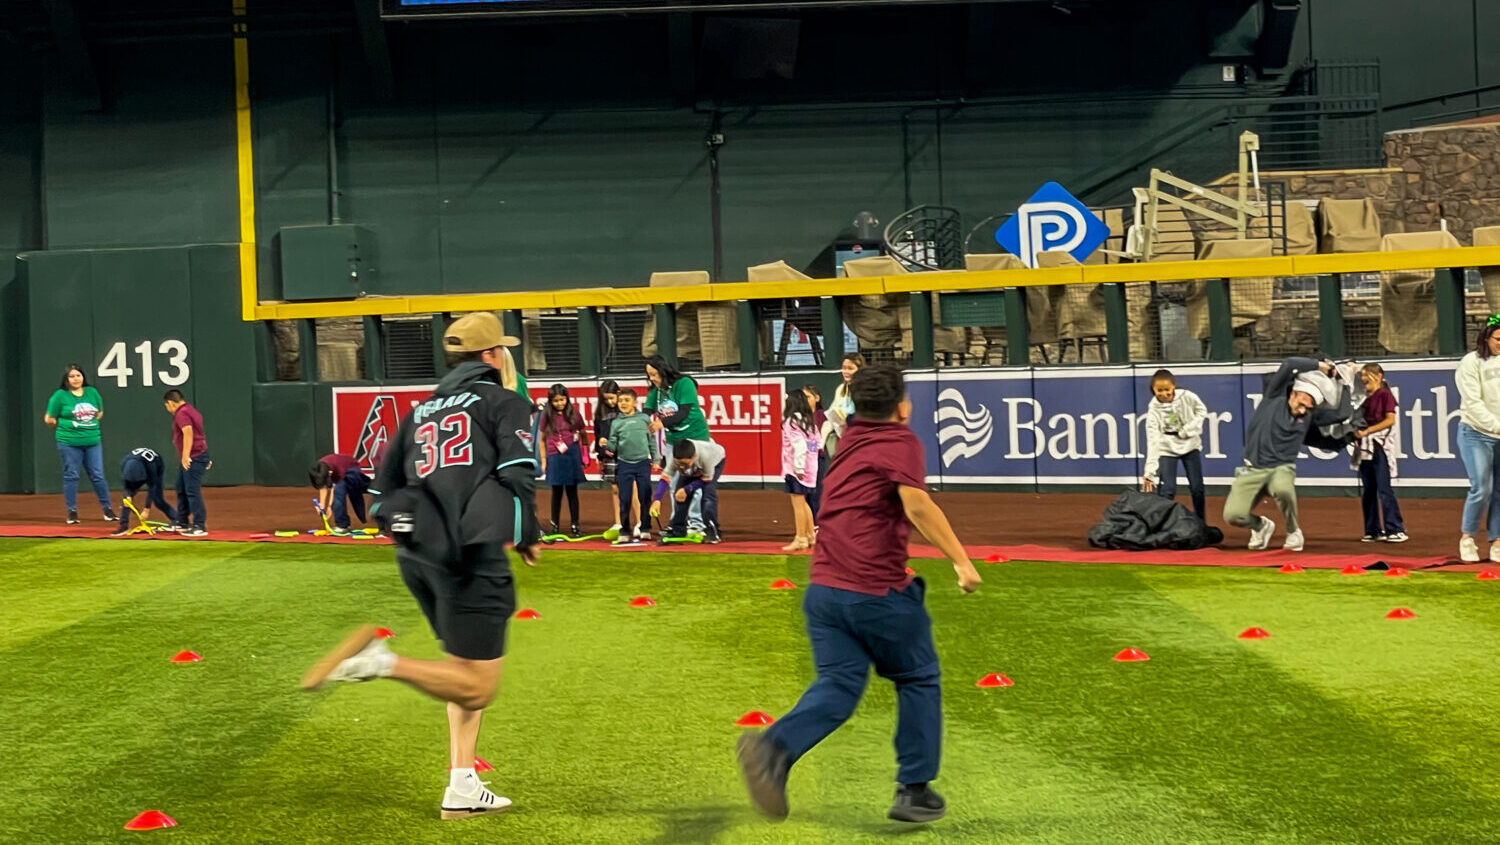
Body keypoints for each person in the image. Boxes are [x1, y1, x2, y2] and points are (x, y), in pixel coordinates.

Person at [302, 311, 540, 821]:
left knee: (464, 670)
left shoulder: (420, 411)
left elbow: (381, 490)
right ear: (492, 355)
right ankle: (380, 661)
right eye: (504, 350)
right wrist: (527, 535)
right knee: (479, 685)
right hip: (471, 555)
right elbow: (518, 474)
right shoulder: (504, 401)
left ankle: (462, 782)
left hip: (419, 555)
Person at [736, 364, 982, 825]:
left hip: (823, 591)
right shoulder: (900, 441)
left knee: (839, 684)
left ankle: (773, 747)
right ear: (903, 407)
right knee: (918, 677)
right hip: (873, 591)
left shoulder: (849, 439)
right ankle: (914, 790)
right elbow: (917, 505)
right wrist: (961, 561)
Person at [1222, 357, 1334, 552]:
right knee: (1233, 516)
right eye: (1303, 403)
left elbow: (1340, 413)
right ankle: (1261, 526)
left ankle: (1293, 532)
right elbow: (1289, 364)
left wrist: (1344, 381)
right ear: (1295, 393)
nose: (1304, 409)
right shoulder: (1273, 397)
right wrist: (1320, 366)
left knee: (1283, 489)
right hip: (1252, 468)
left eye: (1309, 408)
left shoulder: (1307, 417)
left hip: (1281, 468)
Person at [43, 364, 115, 525]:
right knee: (71, 475)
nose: (76, 379)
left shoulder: (92, 392)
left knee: (98, 475)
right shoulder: (60, 396)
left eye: (78, 375)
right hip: (69, 443)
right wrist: (64, 427)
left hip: (92, 441)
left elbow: (100, 412)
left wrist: (87, 425)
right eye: (72, 376)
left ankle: (107, 509)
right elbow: (49, 418)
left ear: (83, 377)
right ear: (66, 380)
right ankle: (72, 511)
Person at [1456, 316, 1500, 562]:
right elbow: (1472, 403)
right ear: (1486, 337)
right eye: (1498, 340)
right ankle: (1467, 537)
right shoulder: (1470, 363)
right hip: (1475, 433)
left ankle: (1497, 541)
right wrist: (1496, 426)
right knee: (1481, 487)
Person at [1141, 369, 1209, 522]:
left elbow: (1201, 410)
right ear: (1153, 390)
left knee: (1197, 488)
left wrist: (1189, 430)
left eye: (1167, 389)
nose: (1163, 394)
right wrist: (1149, 472)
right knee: (1168, 490)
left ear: (1173, 386)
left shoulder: (1188, 397)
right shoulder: (1153, 411)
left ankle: (1200, 522)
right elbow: (1152, 440)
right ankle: (1163, 524)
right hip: (1167, 448)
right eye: (1159, 390)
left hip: (1190, 445)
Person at [1350, 363, 1405, 544]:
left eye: (1369, 375)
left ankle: (1395, 528)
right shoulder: (1362, 398)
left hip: (1379, 447)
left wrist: (1368, 431)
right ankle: (1372, 529)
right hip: (1364, 449)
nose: (1365, 378)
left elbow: (1390, 420)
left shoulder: (1385, 395)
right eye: (1363, 375)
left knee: (1384, 489)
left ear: (1379, 376)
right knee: (1368, 490)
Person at [650, 438, 725, 543]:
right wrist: (657, 500)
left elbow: (706, 479)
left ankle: (712, 530)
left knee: (708, 495)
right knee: (679, 495)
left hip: (716, 461)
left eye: (685, 464)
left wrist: (687, 489)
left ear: (694, 457)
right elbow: (665, 478)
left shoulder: (706, 457)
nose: (681, 467)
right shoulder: (674, 458)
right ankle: (678, 529)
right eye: (678, 463)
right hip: (696, 464)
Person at [540, 383, 588, 537]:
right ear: (550, 401)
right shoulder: (546, 415)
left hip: (572, 455)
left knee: (572, 492)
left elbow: (583, 432)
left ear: (567, 399)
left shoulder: (574, 413)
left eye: (562, 400)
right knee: (556, 492)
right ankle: (554, 525)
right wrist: (543, 459)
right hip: (554, 456)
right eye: (556, 401)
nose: (559, 403)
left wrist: (585, 452)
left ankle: (575, 525)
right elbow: (541, 439)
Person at [610, 388, 657, 544]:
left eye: (627, 400)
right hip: (624, 464)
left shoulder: (644, 419)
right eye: (621, 401)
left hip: (643, 463)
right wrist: (606, 445)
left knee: (644, 496)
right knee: (625, 499)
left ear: (635, 403)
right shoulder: (616, 423)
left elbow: (651, 442)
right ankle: (625, 530)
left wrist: (656, 459)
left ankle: (645, 528)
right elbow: (612, 446)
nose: (623, 403)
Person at [163, 389, 211, 537]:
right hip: (198, 454)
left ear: (171, 403)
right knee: (181, 487)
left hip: (193, 457)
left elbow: (188, 432)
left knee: (191, 491)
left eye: (166, 405)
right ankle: (182, 521)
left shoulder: (181, 413)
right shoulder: (191, 410)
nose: (167, 409)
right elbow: (199, 433)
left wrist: (185, 456)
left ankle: (199, 525)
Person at [644, 355, 711, 457]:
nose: (651, 378)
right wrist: (639, 423)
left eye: (653, 374)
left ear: (663, 371)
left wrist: (661, 423)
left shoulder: (684, 383)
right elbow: (647, 411)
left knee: (694, 471)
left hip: (695, 436)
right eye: (649, 375)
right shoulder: (655, 390)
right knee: (671, 472)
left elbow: (683, 412)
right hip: (673, 440)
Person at [781, 389, 820, 552]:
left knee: (797, 503)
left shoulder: (791, 422)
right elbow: (818, 442)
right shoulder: (808, 420)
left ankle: (800, 538)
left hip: (797, 468)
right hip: (811, 467)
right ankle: (811, 535)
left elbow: (800, 445)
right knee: (804, 503)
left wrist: (798, 467)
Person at [110, 447, 171, 536]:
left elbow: (152, 487)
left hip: (156, 466)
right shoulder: (124, 464)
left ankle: (176, 520)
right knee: (126, 499)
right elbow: (126, 483)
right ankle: (123, 525)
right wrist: (128, 495)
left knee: (158, 500)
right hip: (139, 467)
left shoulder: (150, 467)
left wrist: (146, 509)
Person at [310, 453, 371, 535]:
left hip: (352, 471)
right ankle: (343, 525)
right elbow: (323, 486)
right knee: (339, 490)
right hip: (341, 472)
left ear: (330, 473)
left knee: (340, 491)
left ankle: (342, 526)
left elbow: (334, 490)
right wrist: (322, 506)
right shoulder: (320, 468)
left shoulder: (339, 469)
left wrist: (330, 507)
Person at [820, 353, 865, 458]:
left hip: (858, 440)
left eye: (850, 368)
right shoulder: (840, 389)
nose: (846, 372)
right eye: (844, 368)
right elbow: (832, 413)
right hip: (842, 440)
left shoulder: (865, 389)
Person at [593, 380, 623, 534]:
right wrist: (600, 456)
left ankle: (639, 522)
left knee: (633, 489)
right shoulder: (600, 414)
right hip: (609, 457)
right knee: (615, 489)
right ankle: (618, 523)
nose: (610, 402)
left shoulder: (625, 410)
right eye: (606, 399)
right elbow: (598, 434)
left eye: (612, 398)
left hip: (626, 454)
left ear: (618, 394)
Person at [804, 384, 828, 518]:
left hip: (817, 459)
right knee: (805, 494)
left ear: (817, 398)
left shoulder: (820, 415)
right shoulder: (801, 416)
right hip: (804, 460)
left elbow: (819, 441)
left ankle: (818, 524)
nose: (805, 400)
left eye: (808, 397)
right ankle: (810, 526)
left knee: (816, 493)